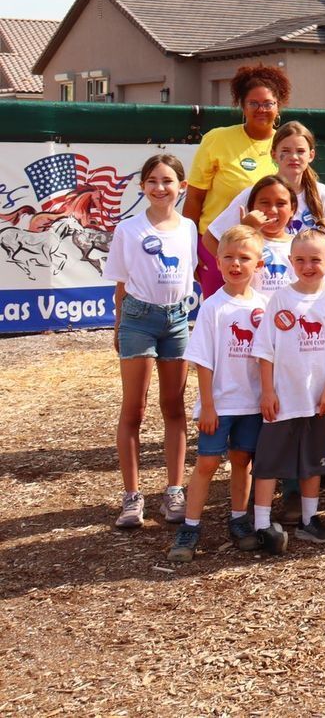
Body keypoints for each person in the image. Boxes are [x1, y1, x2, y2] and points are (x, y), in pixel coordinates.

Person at [251, 228, 325, 553]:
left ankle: (311, 520)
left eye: (316, 259)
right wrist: (268, 392)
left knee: (314, 462)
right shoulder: (280, 298)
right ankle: (262, 524)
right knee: (269, 463)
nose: (308, 266)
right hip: (283, 399)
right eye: (300, 260)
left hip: (319, 401)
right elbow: (265, 349)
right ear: (290, 261)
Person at [108, 154, 199, 530]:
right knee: (136, 409)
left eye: (167, 181)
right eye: (152, 181)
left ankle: (174, 490)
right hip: (138, 320)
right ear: (142, 187)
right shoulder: (128, 230)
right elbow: (120, 285)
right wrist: (118, 324)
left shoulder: (189, 228)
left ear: (182, 187)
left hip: (177, 320)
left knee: (174, 407)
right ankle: (131, 497)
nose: (160, 188)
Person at [166, 224, 266, 561]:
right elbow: (203, 361)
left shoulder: (264, 307)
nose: (236, 264)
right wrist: (207, 405)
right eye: (228, 258)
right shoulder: (213, 307)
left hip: (251, 404)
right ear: (217, 262)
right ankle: (190, 527)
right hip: (220, 404)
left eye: (244, 258)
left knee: (243, 461)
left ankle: (239, 519)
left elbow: (267, 358)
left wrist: (267, 395)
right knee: (208, 462)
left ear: (259, 264)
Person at [183, 64, 288, 296]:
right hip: (216, 245)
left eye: (268, 103)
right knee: (220, 316)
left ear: (278, 105)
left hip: (268, 250)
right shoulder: (217, 139)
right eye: (254, 103)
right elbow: (193, 199)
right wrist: (189, 250)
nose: (261, 109)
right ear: (242, 105)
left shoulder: (288, 145)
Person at [205, 121, 325, 252]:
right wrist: (235, 268)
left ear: (311, 155)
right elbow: (211, 238)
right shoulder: (254, 193)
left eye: (300, 151)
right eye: (285, 150)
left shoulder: (321, 194)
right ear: (273, 154)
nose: (294, 157)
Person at [241, 175, 297, 296]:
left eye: (281, 203)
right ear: (251, 207)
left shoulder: (301, 245)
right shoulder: (243, 242)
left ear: (292, 209)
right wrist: (246, 231)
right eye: (265, 202)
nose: (272, 210)